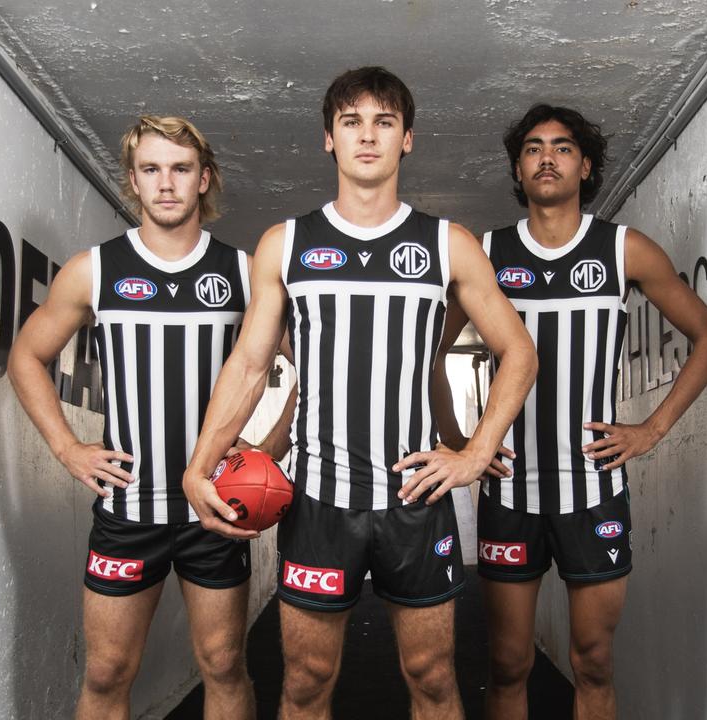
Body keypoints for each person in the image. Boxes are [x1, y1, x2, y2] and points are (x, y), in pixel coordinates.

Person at [182, 67, 537, 720]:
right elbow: (250, 363)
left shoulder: (447, 244)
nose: (367, 136)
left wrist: (475, 454)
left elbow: (519, 352)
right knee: (306, 684)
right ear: (329, 139)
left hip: (414, 499)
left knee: (432, 679)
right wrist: (200, 463)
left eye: (383, 122)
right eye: (351, 122)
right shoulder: (285, 245)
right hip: (319, 500)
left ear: (407, 138)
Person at [430, 104, 707, 720]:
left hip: (593, 491)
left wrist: (653, 429)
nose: (547, 156)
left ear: (585, 166)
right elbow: (428, 356)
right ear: (518, 166)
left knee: (592, 660)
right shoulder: (486, 255)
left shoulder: (623, 250)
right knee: (509, 663)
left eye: (563, 147)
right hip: (510, 493)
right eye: (534, 147)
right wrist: (462, 443)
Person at [9, 115, 292, 720]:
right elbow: (27, 357)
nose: (167, 183)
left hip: (212, 510)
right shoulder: (95, 270)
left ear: (204, 179)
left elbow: (309, 366)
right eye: (152, 170)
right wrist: (67, 447)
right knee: (109, 672)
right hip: (128, 511)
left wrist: (271, 444)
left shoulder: (242, 272)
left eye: (181, 169)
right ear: (133, 182)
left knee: (222, 665)